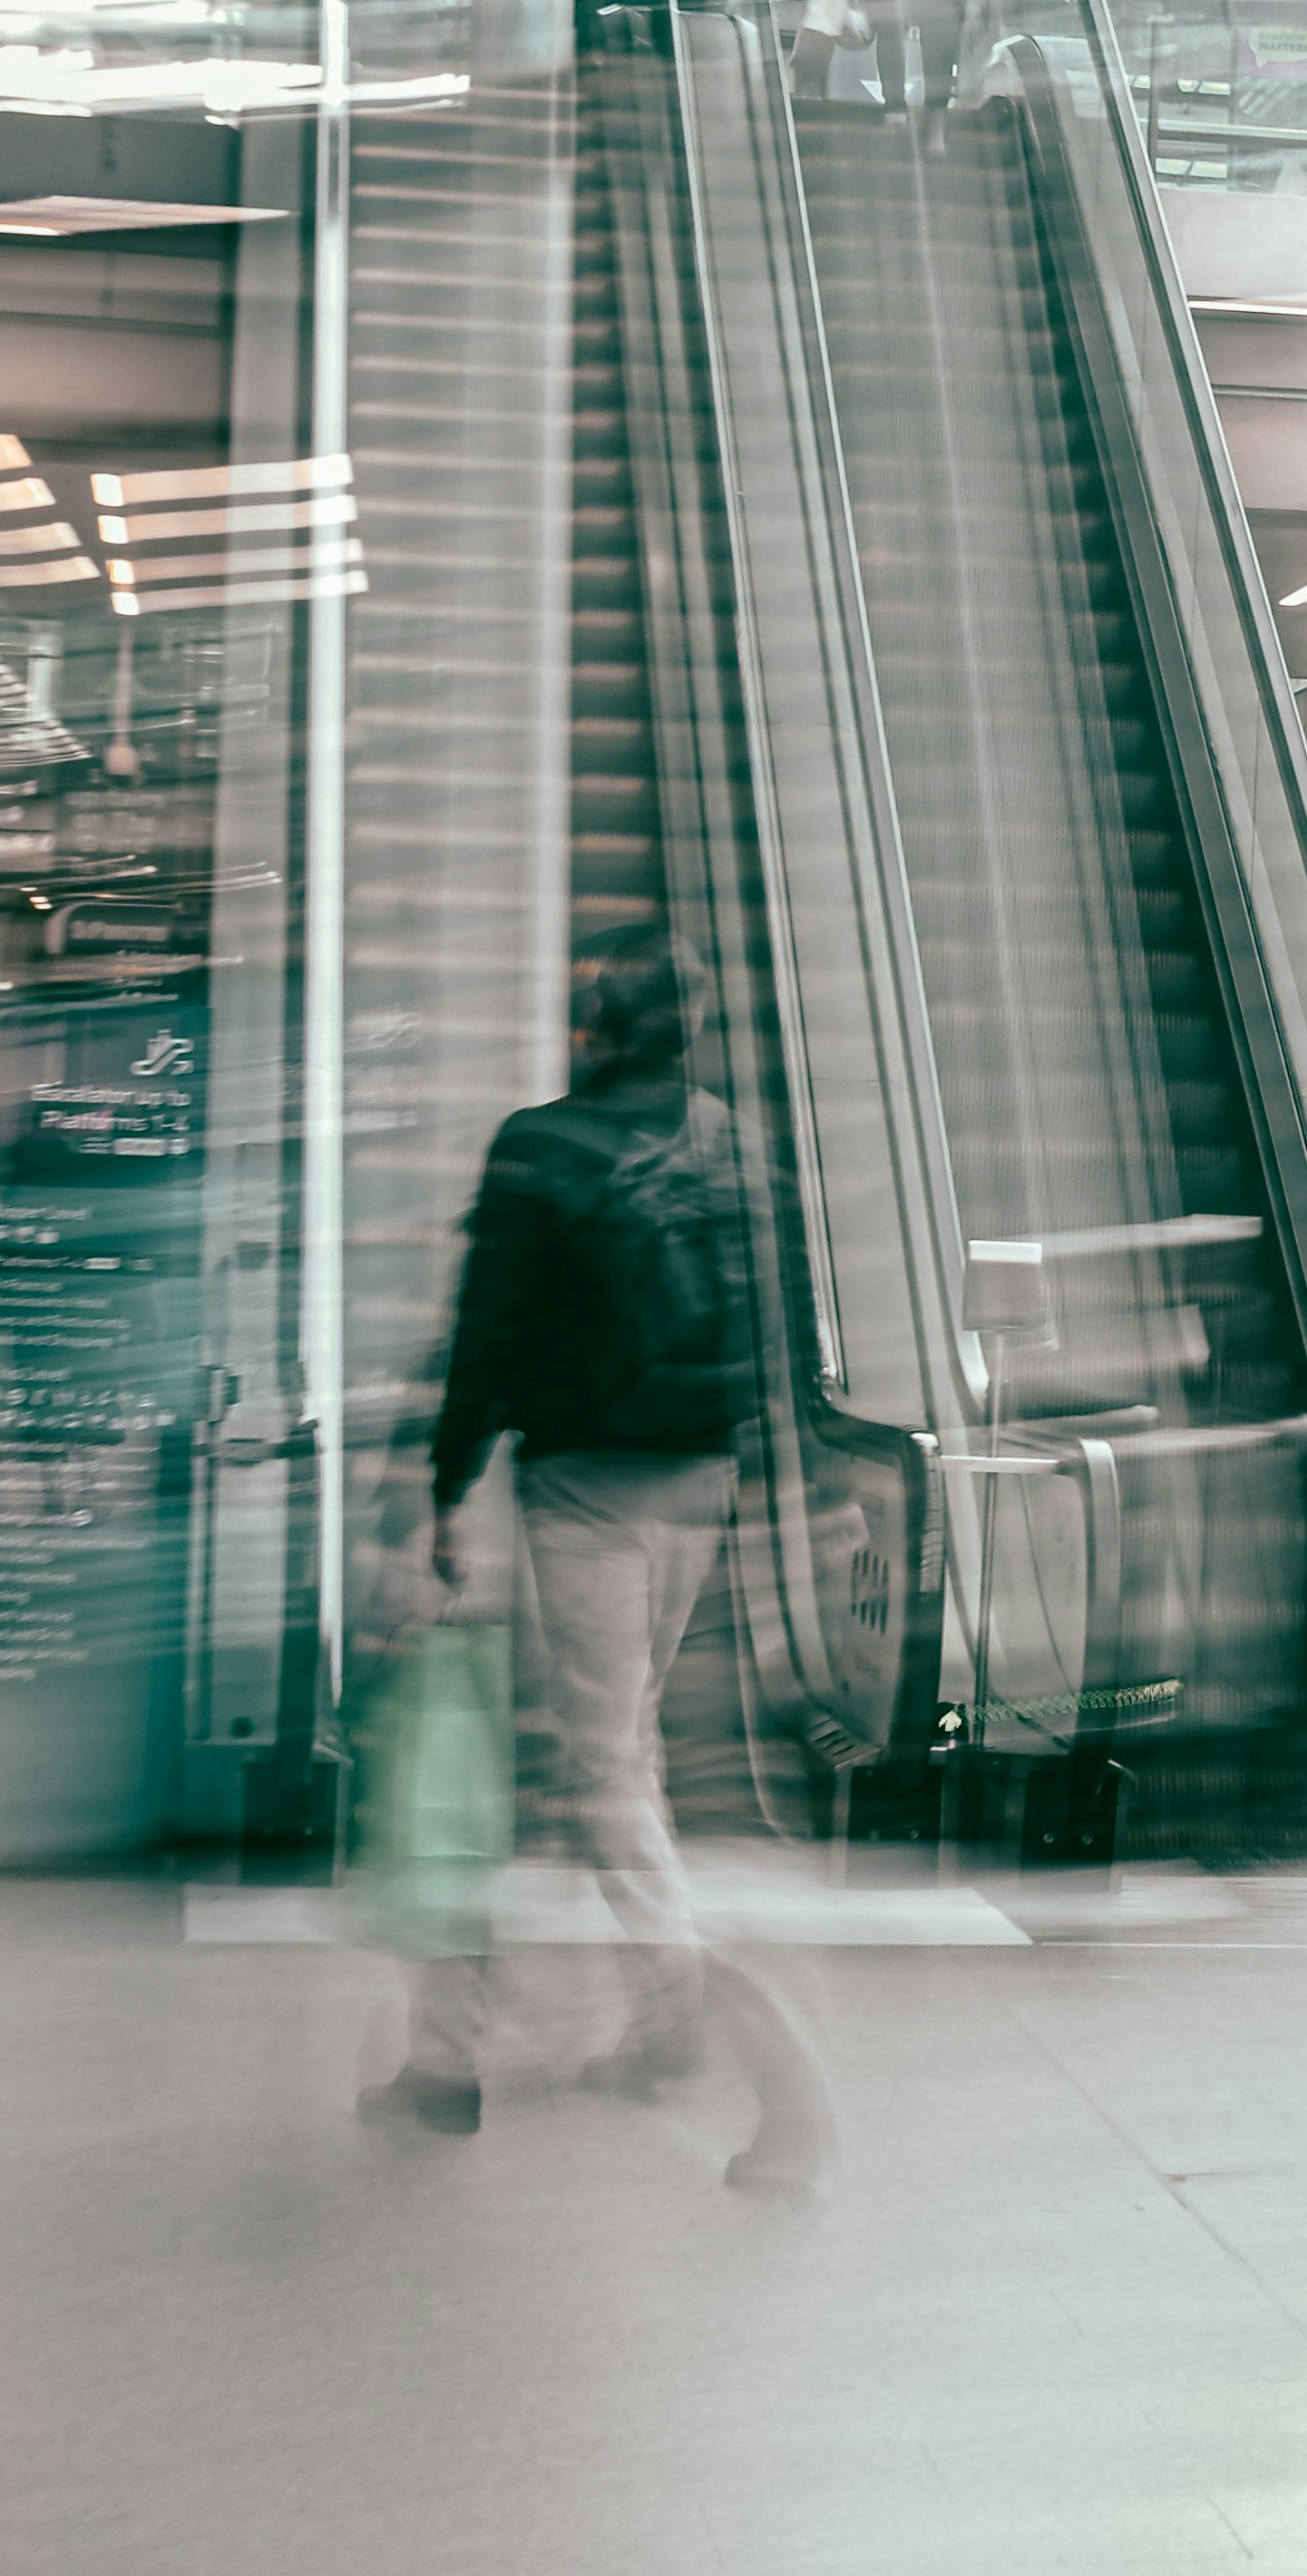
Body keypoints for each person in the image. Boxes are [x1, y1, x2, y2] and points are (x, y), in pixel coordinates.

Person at [373, 930, 830, 2184]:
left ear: (590, 1020)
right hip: (704, 1481)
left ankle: (660, 2012)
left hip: (582, 1495)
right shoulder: (728, 1142)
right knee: (619, 1753)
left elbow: (487, 1334)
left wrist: (440, 1492)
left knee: (584, 1768)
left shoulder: (541, 1148)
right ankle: (493, 2038)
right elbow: (773, 1316)